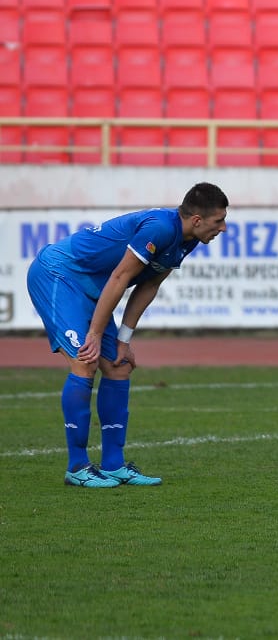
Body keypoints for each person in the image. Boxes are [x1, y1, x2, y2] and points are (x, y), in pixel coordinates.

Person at [26, 182, 229, 487]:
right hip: (59, 273)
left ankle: (112, 465)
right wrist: (94, 333)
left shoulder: (188, 240)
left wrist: (123, 340)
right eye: (219, 221)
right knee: (85, 360)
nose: (223, 228)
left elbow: (148, 286)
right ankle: (77, 467)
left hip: (92, 290)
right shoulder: (160, 228)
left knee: (119, 365)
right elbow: (121, 276)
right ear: (197, 220)